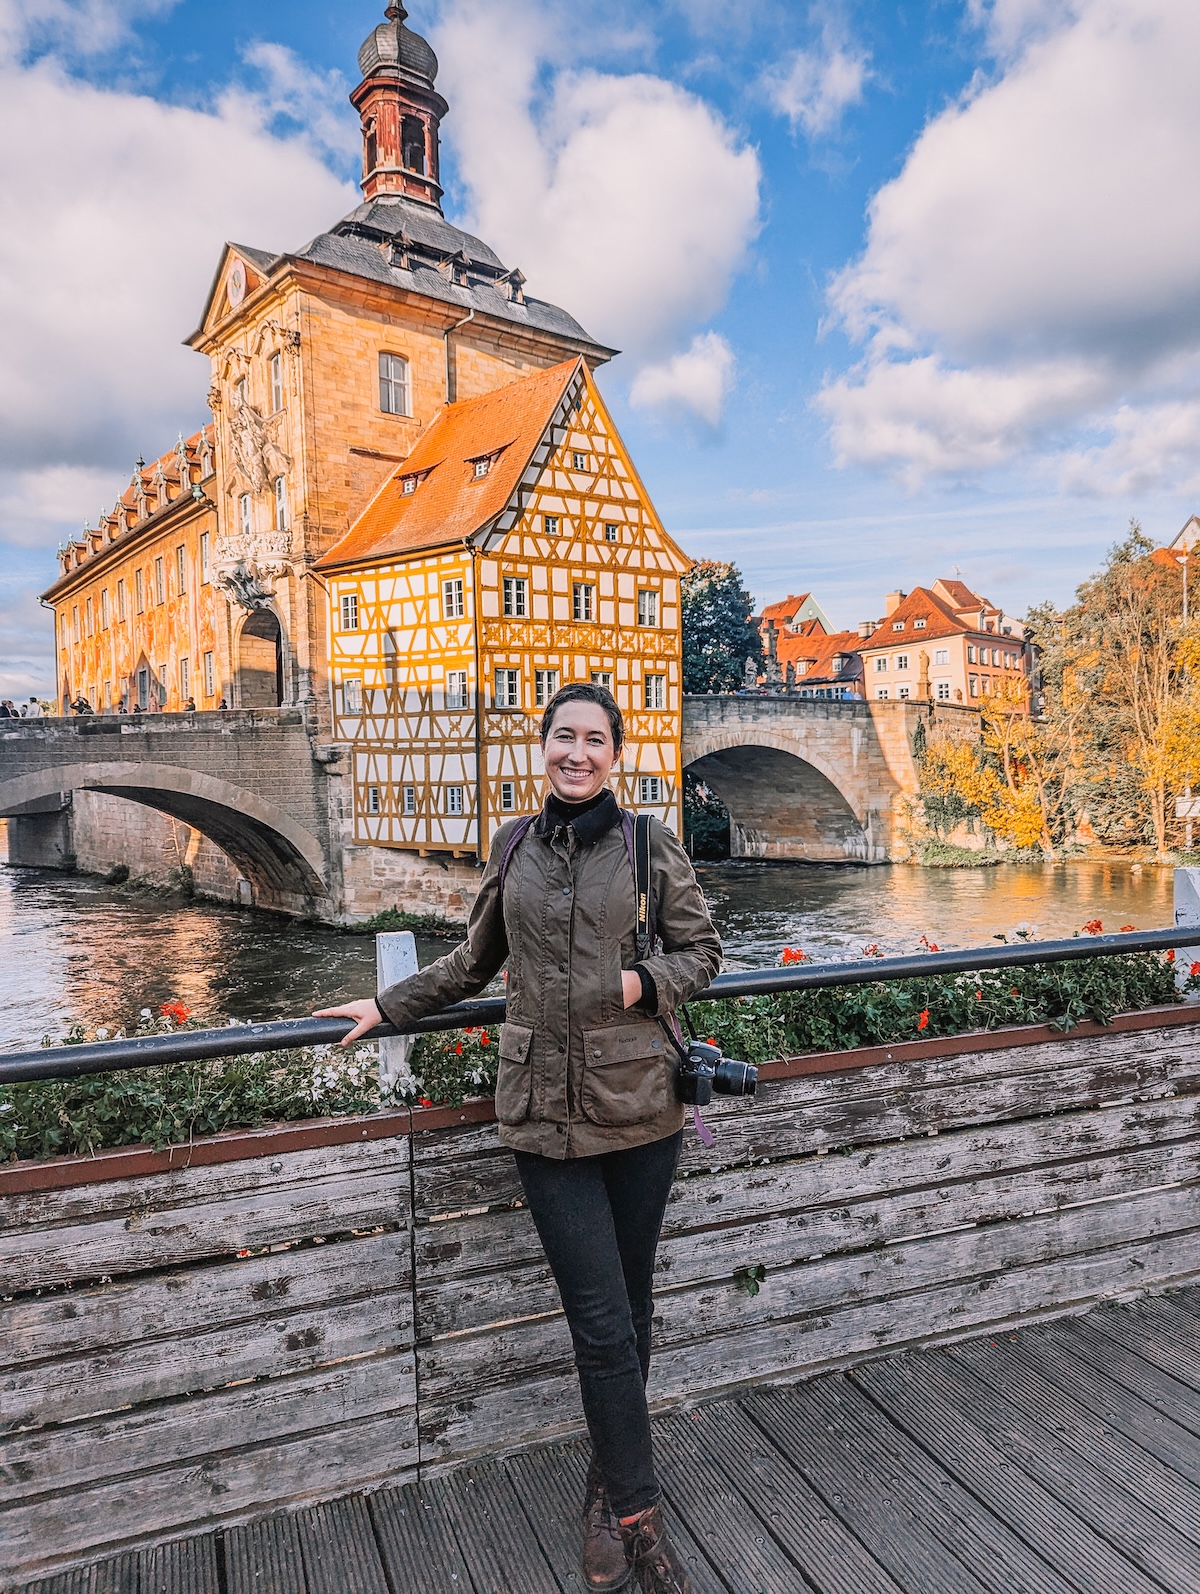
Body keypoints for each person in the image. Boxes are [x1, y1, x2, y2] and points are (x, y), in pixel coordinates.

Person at [317, 683, 721, 1593]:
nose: (577, 753)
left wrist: (637, 985)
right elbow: (471, 964)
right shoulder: (512, 846)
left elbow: (703, 955)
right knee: (601, 1321)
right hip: (542, 1116)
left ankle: (604, 1498)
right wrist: (385, 1006)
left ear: (617, 754)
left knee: (630, 1311)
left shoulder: (646, 844)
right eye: (563, 737)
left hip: (639, 1107)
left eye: (595, 740)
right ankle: (643, 1525)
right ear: (542, 747)